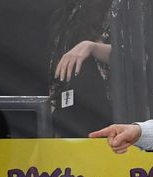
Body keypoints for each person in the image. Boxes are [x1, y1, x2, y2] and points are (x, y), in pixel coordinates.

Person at [49, 0, 116, 137]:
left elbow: (137, 56)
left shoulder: (120, 7)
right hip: (71, 110)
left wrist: (92, 47)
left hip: (111, 114)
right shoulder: (65, 14)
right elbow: (57, 70)